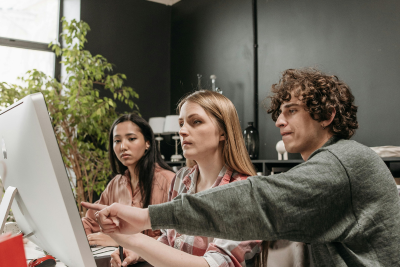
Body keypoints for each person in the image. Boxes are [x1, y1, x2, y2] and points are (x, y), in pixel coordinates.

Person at [84, 68, 400, 266]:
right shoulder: (331, 163)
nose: (279, 120)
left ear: (327, 114)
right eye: (279, 112)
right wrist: (145, 246)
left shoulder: (341, 164)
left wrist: (142, 223)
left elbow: (254, 201)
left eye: (291, 111)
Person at [84, 90, 266, 267]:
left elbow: (215, 264)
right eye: (181, 123)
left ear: (223, 132)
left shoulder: (244, 192)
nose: (183, 131)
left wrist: (133, 240)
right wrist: (138, 253)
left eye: (196, 122)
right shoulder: (181, 179)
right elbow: (169, 240)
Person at [81, 114, 175, 254]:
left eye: (131, 139)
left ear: (147, 143)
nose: (123, 146)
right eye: (117, 141)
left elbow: (176, 240)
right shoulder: (115, 184)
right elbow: (90, 222)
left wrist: (120, 240)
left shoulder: (169, 182)